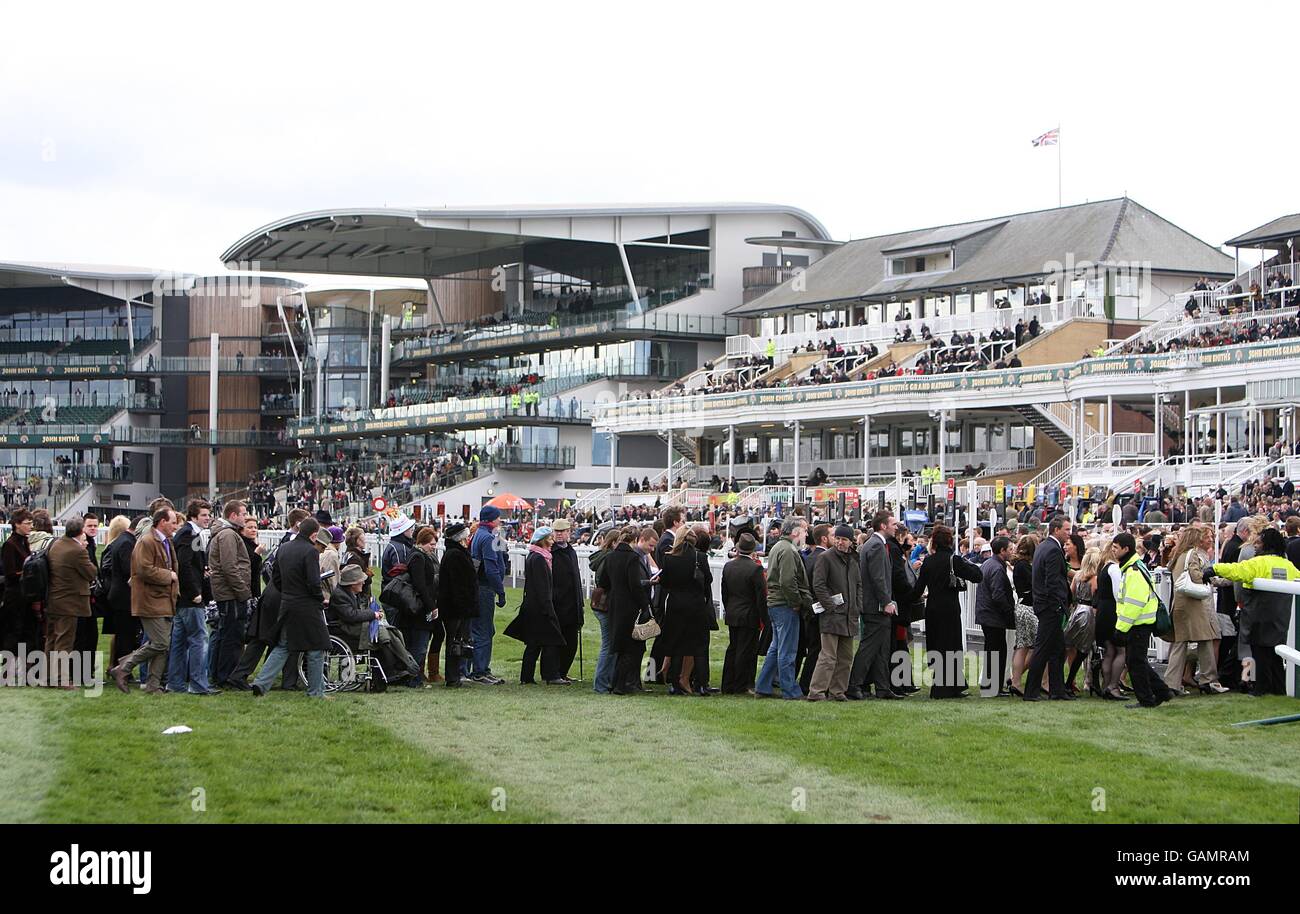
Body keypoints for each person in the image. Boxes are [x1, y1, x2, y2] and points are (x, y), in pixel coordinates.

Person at [1207, 527, 1300, 696]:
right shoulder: (1288, 565)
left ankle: (1261, 690)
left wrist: (1214, 569)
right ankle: (1279, 690)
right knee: (1276, 654)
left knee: (1260, 654)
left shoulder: (1258, 563)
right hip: (1281, 618)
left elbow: (1237, 570)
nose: (1255, 546)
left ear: (1267, 544)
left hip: (1257, 615)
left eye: (1258, 542)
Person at [252, 518, 330, 698]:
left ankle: (261, 683)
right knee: (316, 648)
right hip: (307, 607)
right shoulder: (310, 551)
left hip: (287, 604)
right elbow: (313, 582)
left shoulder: (284, 548)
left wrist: (288, 593)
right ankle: (316, 691)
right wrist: (319, 598)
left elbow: (276, 578)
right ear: (314, 535)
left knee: (284, 646)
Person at [110, 507, 181, 695]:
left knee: (162, 646)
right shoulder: (147, 541)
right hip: (150, 600)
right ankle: (124, 667)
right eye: (173, 522)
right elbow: (144, 569)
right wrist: (169, 575)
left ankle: (153, 685)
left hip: (164, 600)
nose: (175, 526)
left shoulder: (166, 541)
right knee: (160, 644)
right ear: (162, 522)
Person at [919, 525, 983, 698]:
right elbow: (977, 575)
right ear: (949, 541)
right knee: (951, 645)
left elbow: (918, 588)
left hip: (932, 608)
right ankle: (949, 687)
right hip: (950, 608)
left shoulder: (928, 561)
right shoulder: (954, 560)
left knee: (937, 644)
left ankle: (946, 686)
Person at [1111, 532, 1173, 708]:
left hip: (1138, 625)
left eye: (1116, 548)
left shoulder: (1133, 571)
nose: (1113, 551)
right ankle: (1161, 691)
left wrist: (1121, 628)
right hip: (1138, 624)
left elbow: (1134, 603)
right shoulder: (1133, 568)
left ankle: (1146, 699)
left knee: (1135, 663)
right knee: (1138, 661)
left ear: (1126, 549)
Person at [1165, 524, 1227, 695]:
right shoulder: (1192, 554)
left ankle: (1172, 683)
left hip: (1179, 604)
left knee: (1180, 643)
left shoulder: (1178, 556)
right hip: (1193, 605)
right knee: (1206, 640)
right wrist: (1207, 576)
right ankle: (1208, 680)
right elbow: (1195, 577)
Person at [848, 510, 903, 700]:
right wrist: (886, 601)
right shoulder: (877, 546)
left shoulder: (877, 544)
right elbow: (878, 578)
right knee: (870, 647)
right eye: (893, 524)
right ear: (883, 526)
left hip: (875, 605)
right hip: (875, 606)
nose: (897, 527)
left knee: (881, 649)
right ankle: (853, 685)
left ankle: (882, 687)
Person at [756, 517, 811, 700]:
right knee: (787, 650)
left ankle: (763, 686)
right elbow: (787, 581)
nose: (806, 534)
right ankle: (790, 690)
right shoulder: (788, 550)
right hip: (785, 605)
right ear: (795, 532)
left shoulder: (779, 547)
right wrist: (796, 602)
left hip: (776, 603)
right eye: (804, 530)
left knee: (776, 648)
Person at [807, 525, 862, 701]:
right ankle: (816, 692)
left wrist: (857, 606)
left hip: (849, 616)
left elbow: (859, 585)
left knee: (845, 658)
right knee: (828, 656)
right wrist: (830, 606)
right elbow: (819, 585)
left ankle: (837, 691)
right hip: (832, 615)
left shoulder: (854, 559)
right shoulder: (825, 558)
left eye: (843, 539)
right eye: (837, 538)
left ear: (850, 541)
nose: (839, 542)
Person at [505, 527, 566, 684]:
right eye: (550, 539)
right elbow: (541, 587)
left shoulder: (536, 556)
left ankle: (528, 677)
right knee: (550, 640)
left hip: (535, 606)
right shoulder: (538, 558)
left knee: (535, 644)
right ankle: (550, 675)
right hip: (540, 607)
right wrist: (548, 608)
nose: (553, 542)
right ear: (544, 540)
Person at [1023, 515, 1075, 701]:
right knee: (1043, 649)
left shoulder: (1045, 546)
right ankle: (1031, 692)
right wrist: (1059, 604)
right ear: (1056, 530)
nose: (1069, 533)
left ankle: (1057, 691)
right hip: (1050, 607)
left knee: (1057, 651)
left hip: (1046, 605)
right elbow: (1053, 581)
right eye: (1067, 530)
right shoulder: (1052, 549)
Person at [657, 526, 712, 696]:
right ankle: (701, 685)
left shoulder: (669, 559)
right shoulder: (700, 557)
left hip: (676, 605)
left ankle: (674, 683)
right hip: (696, 605)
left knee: (676, 645)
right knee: (700, 645)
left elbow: (664, 582)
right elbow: (708, 579)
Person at [44, 516, 99, 686]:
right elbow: (91, 573)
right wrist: (82, 547)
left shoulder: (57, 544)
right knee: (65, 641)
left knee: (52, 639)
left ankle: (48, 676)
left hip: (54, 598)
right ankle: (61, 678)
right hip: (69, 602)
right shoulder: (77, 550)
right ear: (81, 531)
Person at [168, 499, 215, 695]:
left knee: (179, 642)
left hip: (184, 598)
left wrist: (202, 571)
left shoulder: (191, 533)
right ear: (194, 516)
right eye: (203, 515)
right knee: (198, 640)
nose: (208, 518)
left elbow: (192, 564)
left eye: (208, 515)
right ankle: (197, 684)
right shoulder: (188, 533)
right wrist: (196, 592)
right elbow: (184, 566)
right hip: (190, 598)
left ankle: (175, 683)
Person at [207, 499, 252, 689]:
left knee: (226, 635)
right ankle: (227, 676)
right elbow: (229, 567)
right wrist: (243, 592)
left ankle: (220, 675)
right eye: (243, 514)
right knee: (232, 638)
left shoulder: (226, 533)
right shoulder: (227, 535)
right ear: (233, 515)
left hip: (228, 592)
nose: (246, 517)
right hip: (231, 594)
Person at [606, 526, 655, 695]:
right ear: (635, 540)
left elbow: (604, 581)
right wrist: (645, 606)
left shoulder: (611, 556)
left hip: (614, 604)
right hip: (629, 606)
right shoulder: (632, 558)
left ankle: (615, 683)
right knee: (632, 647)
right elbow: (635, 585)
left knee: (620, 646)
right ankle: (621, 685)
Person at [721, 533, 766, 695]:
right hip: (749, 614)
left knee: (733, 648)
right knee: (745, 651)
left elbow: (724, 593)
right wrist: (764, 617)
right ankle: (741, 684)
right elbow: (760, 597)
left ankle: (727, 684)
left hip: (733, 612)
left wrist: (729, 608)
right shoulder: (755, 569)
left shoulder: (729, 566)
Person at [469, 506, 507, 684]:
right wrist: (500, 591)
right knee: (483, 631)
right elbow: (492, 568)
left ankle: (480, 669)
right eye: (498, 518)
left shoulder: (481, 535)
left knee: (483, 630)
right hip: (484, 588)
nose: (500, 521)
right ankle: (480, 671)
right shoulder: (487, 537)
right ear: (492, 520)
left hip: (479, 587)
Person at [437, 522, 477, 688]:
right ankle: (453, 677)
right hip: (455, 607)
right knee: (455, 642)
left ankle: (455, 675)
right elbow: (456, 584)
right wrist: (463, 606)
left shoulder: (457, 553)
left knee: (457, 641)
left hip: (457, 606)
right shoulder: (455, 555)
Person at [974, 535, 1015, 696]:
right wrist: (1009, 611)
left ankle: (989, 685)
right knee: (998, 652)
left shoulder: (988, 564)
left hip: (987, 614)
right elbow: (998, 595)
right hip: (993, 616)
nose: (1012, 552)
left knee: (992, 651)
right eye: (1010, 549)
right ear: (1002, 550)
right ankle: (993, 687)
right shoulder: (997, 568)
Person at [402, 525, 442, 687]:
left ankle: (415, 677)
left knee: (418, 643)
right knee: (419, 644)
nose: (434, 548)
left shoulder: (417, 554)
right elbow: (421, 585)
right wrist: (432, 606)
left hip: (419, 606)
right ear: (422, 542)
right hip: (420, 607)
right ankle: (414, 678)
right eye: (431, 544)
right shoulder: (418, 557)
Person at [101, 514, 141, 672]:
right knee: (125, 636)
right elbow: (128, 570)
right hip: (124, 597)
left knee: (123, 635)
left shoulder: (122, 540)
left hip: (120, 596)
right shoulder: (126, 543)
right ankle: (122, 670)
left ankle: (118, 667)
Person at [548, 519, 584, 682]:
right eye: (556, 532)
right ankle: (553, 673)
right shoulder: (550, 552)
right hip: (557, 605)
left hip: (573, 604)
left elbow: (575, 579)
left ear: (569, 532)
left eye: (562, 531)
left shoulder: (571, 551)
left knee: (571, 643)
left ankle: (562, 672)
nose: (559, 534)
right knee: (555, 642)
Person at [798, 524, 831, 693]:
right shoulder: (824, 558)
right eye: (832, 535)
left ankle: (807, 683)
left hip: (810, 609)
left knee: (814, 650)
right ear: (824, 538)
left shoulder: (809, 557)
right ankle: (808, 684)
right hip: (819, 609)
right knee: (818, 650)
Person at [1, 507, 34, 656]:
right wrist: (28, 573)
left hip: (24, 594)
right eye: (27, 523)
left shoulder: (24, 542)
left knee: (25, 631)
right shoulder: (10, 545)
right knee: (13, 631)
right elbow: (10, 574)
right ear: (17, 524)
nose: (31, 526)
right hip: (14, 596)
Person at [588, 532, 617, 694]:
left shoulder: (601, 556)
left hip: (599, 602)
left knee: (609, 644)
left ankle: (605, 681)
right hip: (605, 603)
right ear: (613, 543)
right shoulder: (608, 558)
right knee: (608, 645)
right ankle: (601, 684)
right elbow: (605, 581)